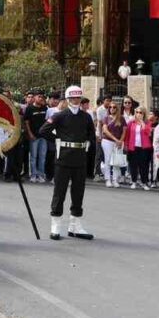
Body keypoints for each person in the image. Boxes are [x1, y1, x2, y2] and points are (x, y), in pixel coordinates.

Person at [38, 85, 95, 241]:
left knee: (78, 193)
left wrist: (88, 151)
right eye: (73, 98)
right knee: (60, 192)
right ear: (68, 99)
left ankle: (75, 226)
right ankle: (55, 226)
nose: (76, 100)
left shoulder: (86, 117)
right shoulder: (60, 115)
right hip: (63, 158)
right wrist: (57, 139)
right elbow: (43, 130)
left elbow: (91, 135)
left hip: (80, 159)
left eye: (78, 98)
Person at [124, 106, 154, 190]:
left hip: (144, 148)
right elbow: (127, 135)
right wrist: (126, 145)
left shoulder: (148, 123)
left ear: (144, 114)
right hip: (133, 147)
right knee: (133, 165)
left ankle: (144, 183)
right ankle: (134, 181)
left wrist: (142, 122)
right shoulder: (131, 123)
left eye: (140, 112)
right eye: (137, 112)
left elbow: (148, 132)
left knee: (144, 166)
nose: (138, 114)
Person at [23, 90, 49, 184]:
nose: (41, 98)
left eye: (42, 97)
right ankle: (33, 175)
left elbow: (48, 121)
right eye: (39, 97)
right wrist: (30, 134)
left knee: (42, 156)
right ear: (34, 97)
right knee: (33, 156)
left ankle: (41, 175)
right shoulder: (29, 108)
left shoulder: (45, 108)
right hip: (34, 136)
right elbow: (26, 122)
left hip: (44, 136)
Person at [101, 104, 126, 188]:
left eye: (114, 107)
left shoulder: (121, 118)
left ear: (117, 108)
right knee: (107, 160)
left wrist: (120, 141)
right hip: (107, 141)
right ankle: (108, 179)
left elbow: (124, 131)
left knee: (116, 161)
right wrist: (116, 140)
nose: (112, 108)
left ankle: (115, 180)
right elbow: (105, 130)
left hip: (118, 142)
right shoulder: (106, 118)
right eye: (110, 107)